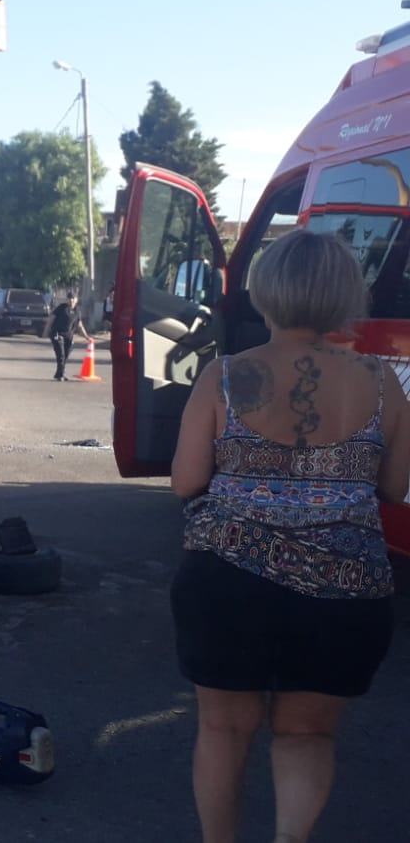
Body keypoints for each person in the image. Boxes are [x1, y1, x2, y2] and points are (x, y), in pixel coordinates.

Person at [168, 230, 403, 843]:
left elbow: (186, 480)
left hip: (227, 581)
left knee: (224, 729)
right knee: (308, 733)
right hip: (346, 591)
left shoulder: (224, 376)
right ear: (344, 296)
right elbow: (395, 487)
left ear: (264, 292)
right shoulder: (384, 383)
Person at [41, 293, 92, 381]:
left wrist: (87, 337)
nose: (71, 300)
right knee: (61, 355)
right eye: (69, 298)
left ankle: (59, 373)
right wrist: (45, 332)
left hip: (68, 336)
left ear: (76, 300)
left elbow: (79, 325)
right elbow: (51, 320)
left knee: (66, 355)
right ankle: (61, 374)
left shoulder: (77, 311)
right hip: (57, 333)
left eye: (73, 298)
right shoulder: (61, 308)